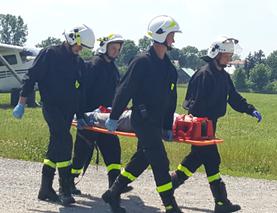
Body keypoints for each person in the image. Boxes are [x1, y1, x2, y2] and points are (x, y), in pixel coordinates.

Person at [170, 36, 262, 213]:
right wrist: (200, 124)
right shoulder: (204, 74)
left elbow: (234, 98)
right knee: (212, 160)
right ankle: (221, 202)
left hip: (211, 124)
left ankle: (170, 184)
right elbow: (192, 103)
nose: (229, 58)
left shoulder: (224, 76)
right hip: (200, 125)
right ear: (216, 54)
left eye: (230, 55)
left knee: (195, 160)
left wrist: (250, 110)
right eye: (226, 55)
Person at [102, 15, 183, 213]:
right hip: (143, 118)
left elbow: (171, 99)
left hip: (156, 122)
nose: (174, 39)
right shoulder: (141, 62)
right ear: (161, 35)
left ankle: (113, 193)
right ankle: (170, 205)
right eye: (172, 35)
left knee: (142, 159)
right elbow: (125, 89)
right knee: (160, 161)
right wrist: (113, 117)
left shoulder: (168, 67)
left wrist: (166, 126)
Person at [12, 24, 95, 206]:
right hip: (51, 107)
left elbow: (81, 90)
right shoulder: (50, 54)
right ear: (73, 38)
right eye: (80, 46)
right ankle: (64, 189)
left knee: (56, 144)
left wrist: (80, 114)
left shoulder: (78, 62)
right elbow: (31, 76)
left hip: (68, 111)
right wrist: (21, 102)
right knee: (65, 141)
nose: (81, 51)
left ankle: (45, 188)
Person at [71, 33, 132, 195]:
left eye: (118, 49)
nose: (116, 52)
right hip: (89, 118)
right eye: (113, 48)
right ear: (104, 47)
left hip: (106, 118)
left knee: (113, 151)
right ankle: (68, 183)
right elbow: (81, 91)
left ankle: (115, 186)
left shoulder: (113, 69)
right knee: (81, 154)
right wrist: (81, 113)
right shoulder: (92, 65)